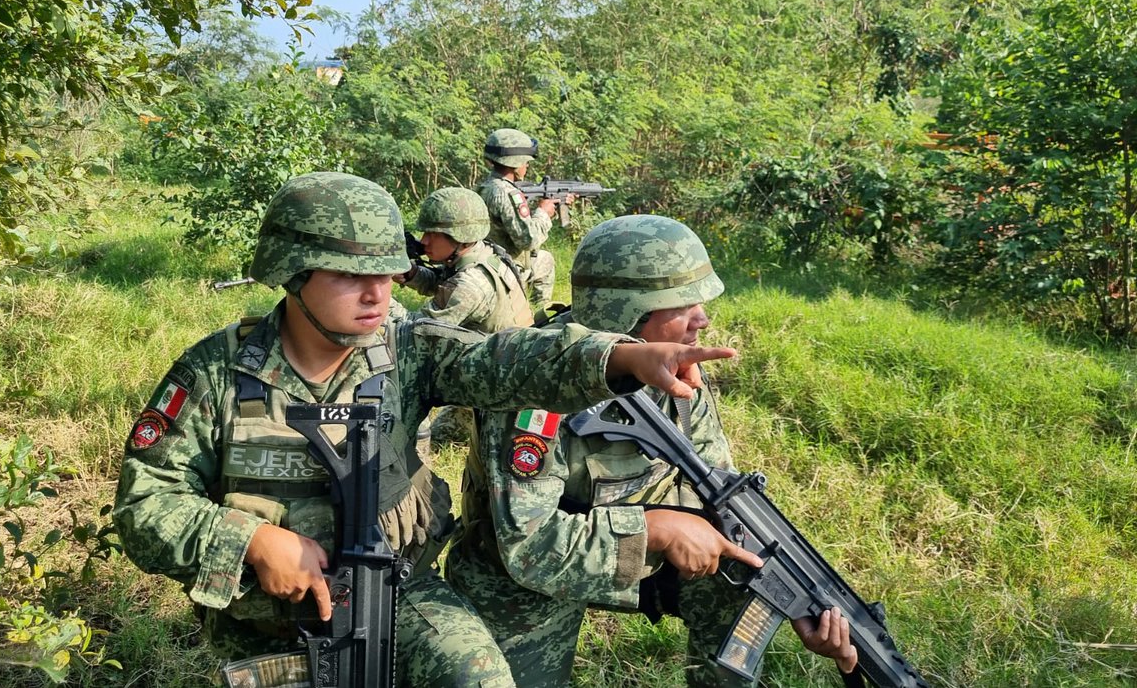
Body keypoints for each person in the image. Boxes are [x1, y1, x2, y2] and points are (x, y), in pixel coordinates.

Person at [113, 174, 730, 687]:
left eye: (387, 273)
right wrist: (252, 541)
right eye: (351, 276)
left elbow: (507, 360)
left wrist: (619, 358)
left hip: (397, 592)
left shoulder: (407, 352)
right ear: (293, 273)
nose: (378, 293)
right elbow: (146, 505)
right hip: (264, 622)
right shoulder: (215, 372)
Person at [445, 214, 860, 687]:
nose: (702, 318)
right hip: (520, 575)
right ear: (624, 312)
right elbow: (530, 550)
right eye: (681, 304)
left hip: (635, 550)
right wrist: (657, 531)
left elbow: (716, 492)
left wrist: (795, 597)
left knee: (739, 584)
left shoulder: (677, 375)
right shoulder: (532, 383)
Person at [396, 186, 533, 443]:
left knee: (436, 435)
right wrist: (411, 274)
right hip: (506, 361)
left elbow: (415, 333)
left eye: (433, 234)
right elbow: (442, 283)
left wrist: (380, 300)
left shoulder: (472, 284)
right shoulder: (483, 253)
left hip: (503, 385)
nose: (424, 240)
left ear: (461, 237)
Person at [477, 128, 564, 310]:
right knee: (545, 260)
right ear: (515, 163)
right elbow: (528, 240)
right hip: (505, 268)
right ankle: (538, 311)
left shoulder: (484, 187)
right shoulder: (508, 193)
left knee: (542, 257)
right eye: (526, 161)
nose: (528, 165)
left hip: (486, 262)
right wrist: (543, 212)